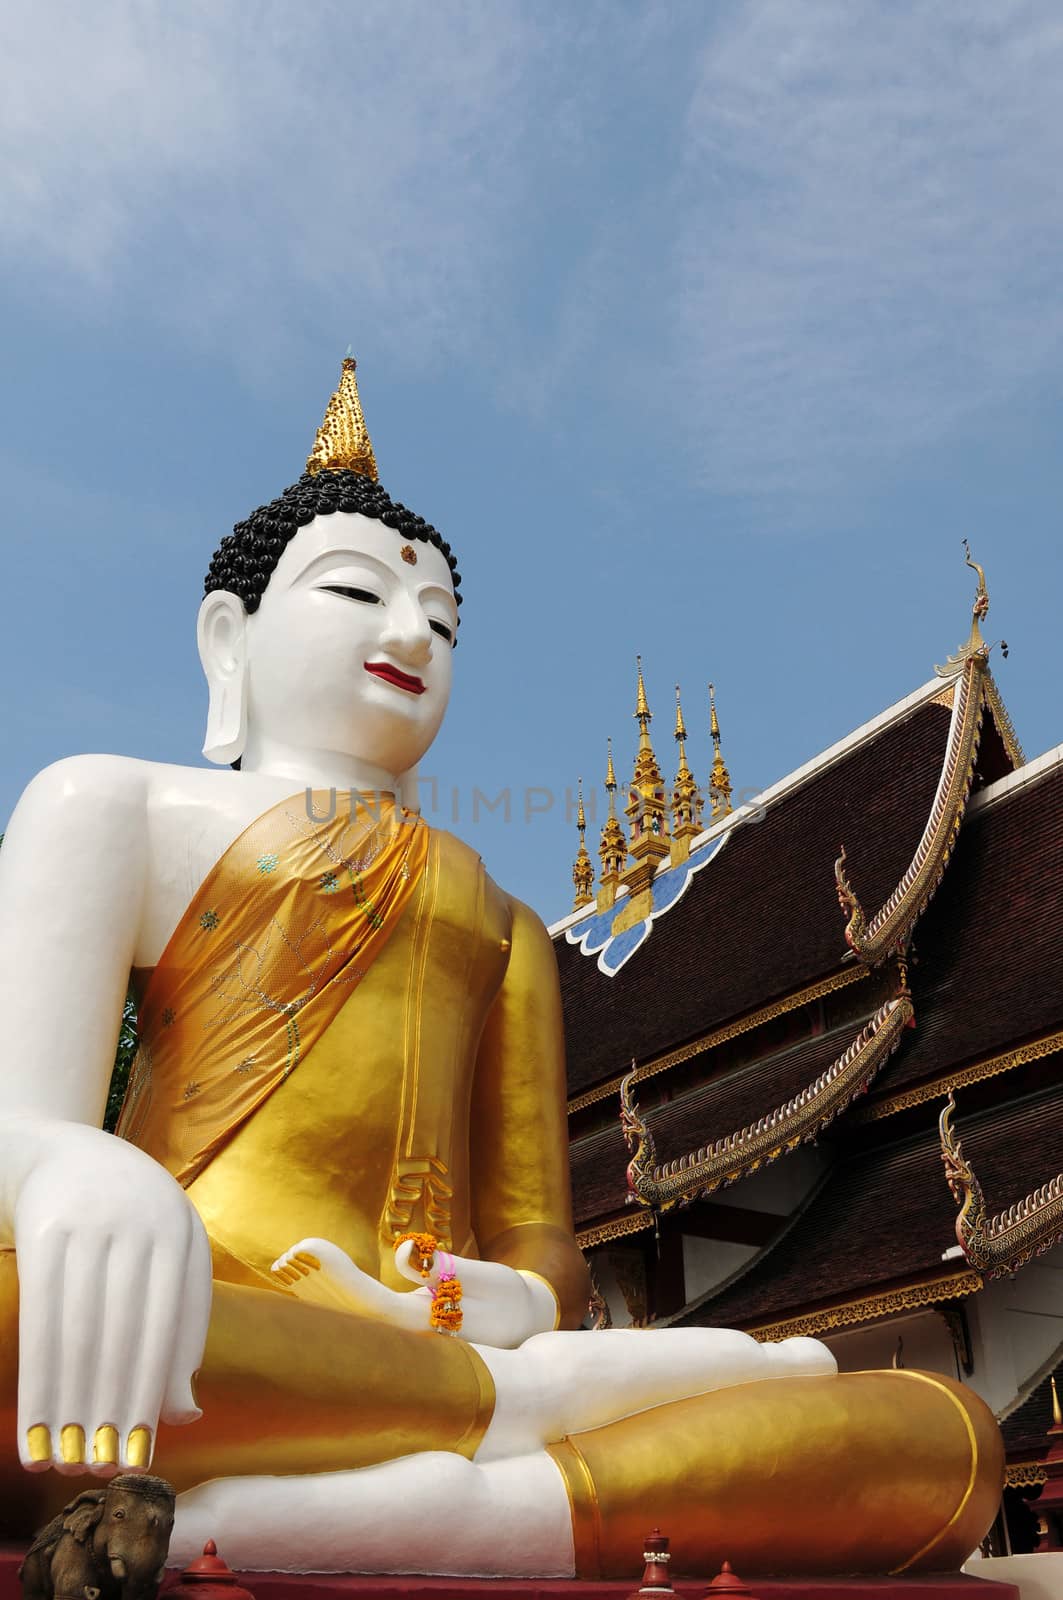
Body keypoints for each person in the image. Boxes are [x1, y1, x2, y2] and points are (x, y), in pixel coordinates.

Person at [0, 361, 1002, 1577]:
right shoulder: (111, 805)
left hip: (376, 1358)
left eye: (440, 618)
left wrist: (468, 1310)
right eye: (358, 591)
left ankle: (411, 1512)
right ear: (230, 637)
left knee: (939, 1443)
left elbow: (541, 1250)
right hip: (194, 1317)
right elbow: (15, 1122)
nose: (410, 632)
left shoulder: (505, 924)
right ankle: (520, 1428)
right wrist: (75, 1162)